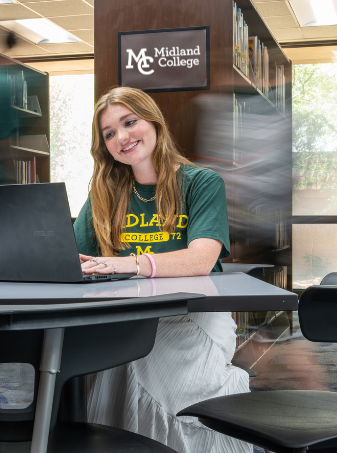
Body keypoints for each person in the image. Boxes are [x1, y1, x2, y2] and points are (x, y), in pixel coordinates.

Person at [73, 86, 252, 453]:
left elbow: (201, 259)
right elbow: (77, 257)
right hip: (125, 315)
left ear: (153, 120)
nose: (121, 137)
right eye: (109, 133)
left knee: (129, 357)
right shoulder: (103, 192)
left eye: (129, 122)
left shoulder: (201, 182)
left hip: (191, 316)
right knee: (100, 353)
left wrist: (127, 263)